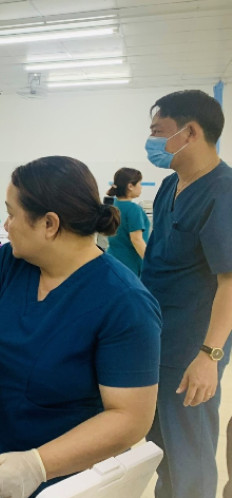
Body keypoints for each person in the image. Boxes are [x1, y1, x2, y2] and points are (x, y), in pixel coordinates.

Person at [0, 156, 162, 497]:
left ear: (49, 224)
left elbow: (131, 418)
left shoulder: (125, 303)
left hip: (67, 478)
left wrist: (37, 464)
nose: (6, 224)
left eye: (12, 213)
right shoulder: (11, 263)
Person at [141, 89, 232, 498]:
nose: (152, 142)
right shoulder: (169, 187)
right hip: (159, 338)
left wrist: (209, 356)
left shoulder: (223, 193)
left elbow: (231, 282)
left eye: (159, 132)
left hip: (193, 345)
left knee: (189, 450)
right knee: (159, 448)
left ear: (190, 132)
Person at [105, 168, 150, 276]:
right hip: (130, 264)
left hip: (112, 260)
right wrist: (152, 264)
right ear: (130, 186)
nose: (141, 187)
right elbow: (137, 240)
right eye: (140, 183)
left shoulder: (112, 205)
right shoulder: (133, 209)